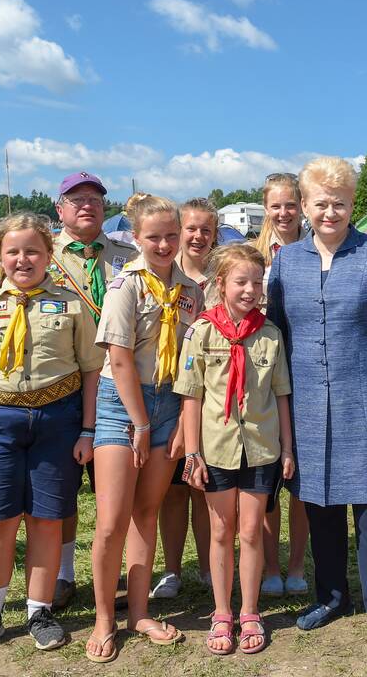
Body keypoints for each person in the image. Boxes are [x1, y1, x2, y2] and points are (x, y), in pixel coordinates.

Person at [267, 156, 367, 663]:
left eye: (341, 203)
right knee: (320, 506)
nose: (331, 212)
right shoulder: (287, 262)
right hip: (307, 403)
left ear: (353, 205)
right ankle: (331, 595)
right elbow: (278, 334)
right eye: (321, 203)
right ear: (305, 207)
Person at [0, 213, 102, 655]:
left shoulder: (72, 305)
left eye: (32, 250)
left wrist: (87, 430)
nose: (22, 259)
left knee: (47, 520)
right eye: (12, 251)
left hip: (58, 425)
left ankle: (39, 609)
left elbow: (91, 371)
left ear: (49, 255)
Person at [85, 193, 203, 663]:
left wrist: (180, 421)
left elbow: (192, 358)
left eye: (172, 235)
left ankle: (139, 612)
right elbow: (117, 357)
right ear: (135, 238)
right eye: (154, 237)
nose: (165, 244)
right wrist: (138, 422)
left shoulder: (189, 291)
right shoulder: (125, 287)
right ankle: (103, 618)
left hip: (168, 401)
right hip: (123, 404)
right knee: (112, 521)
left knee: (147, 512)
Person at [175, 243, 295, 655]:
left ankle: (249, 611)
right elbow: (190, 397)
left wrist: (288, 449)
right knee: (222, 531)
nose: (250, 290)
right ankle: (222, 612)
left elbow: (281, 395)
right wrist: (193, 453)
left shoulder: (271, 335)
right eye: (241, 281)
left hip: (261, 449)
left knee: (251, 532)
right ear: (221, 283)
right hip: (217, 449)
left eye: (257, 282)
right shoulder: (201, 332)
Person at [47, 171, 137, 610]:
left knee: (115, 492)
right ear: (58, 208)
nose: (87, 206)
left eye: (95, 199)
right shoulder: (43, 255)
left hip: (120, 386)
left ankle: (115, 570)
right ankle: (64, 574)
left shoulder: (126, 254)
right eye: (76, 199)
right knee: (63, 489)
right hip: (64, 384)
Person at [151, 198, 216, 599]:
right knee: (172, 489)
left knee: (203, 486)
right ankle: (172, 569)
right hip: (163, 395)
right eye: (190, 228)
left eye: (206, 230)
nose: (197, 236)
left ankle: (210, 567)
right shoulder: (162, 278)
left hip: (206, 398)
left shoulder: (221, 278)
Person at [252, 173, 310, 597]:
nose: (284, 212)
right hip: (263, 372)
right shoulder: (252, 254)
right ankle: (270, 564)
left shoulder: (317, 247)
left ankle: (296, 565)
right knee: (265, 475)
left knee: (301, 479)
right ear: (266, 207)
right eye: (277, 205)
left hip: (305, 371)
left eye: (291, 204)